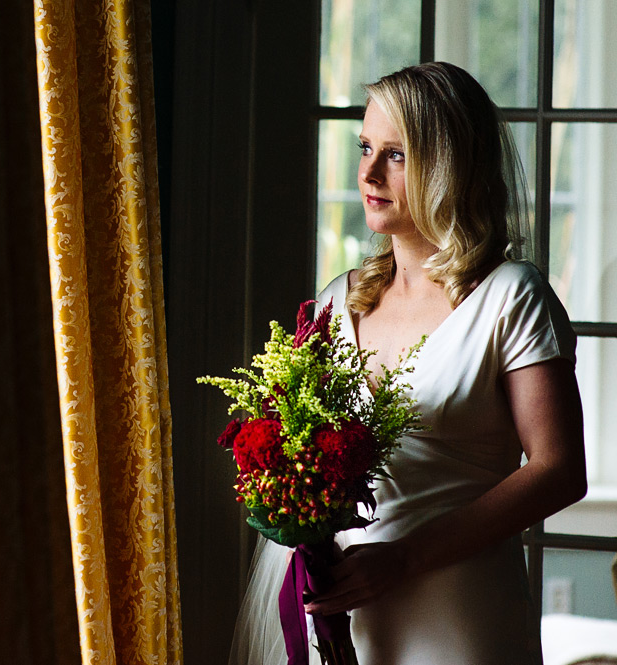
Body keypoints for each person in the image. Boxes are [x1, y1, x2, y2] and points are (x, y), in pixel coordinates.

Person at [229, 62, 587, 665]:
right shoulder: (338, 300)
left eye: (395, 155)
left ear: (447, 166)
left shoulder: (510, 296)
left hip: (456, 617)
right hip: (343, 617)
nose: (367, 172)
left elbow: (559, 470)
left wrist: (406, 557)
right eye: (366, 147)